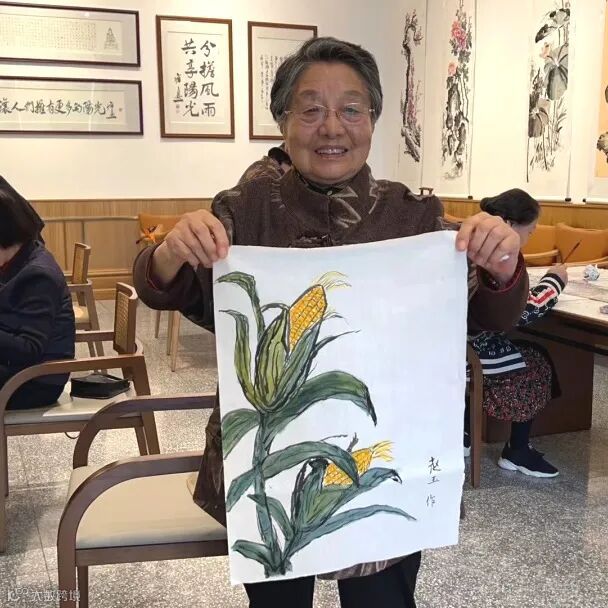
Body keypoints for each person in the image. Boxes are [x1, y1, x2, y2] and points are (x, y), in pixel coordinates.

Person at [133, 37, 528, 608]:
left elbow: (488, 316)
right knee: (277, 599)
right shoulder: (243, 210)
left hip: (383, 446)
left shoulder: (414, 217)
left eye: (351, 109)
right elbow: (161, 287)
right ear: (283, 121)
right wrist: (170, 252)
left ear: (373, 120)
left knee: (382, 600)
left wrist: (503, 267)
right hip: (268, 462)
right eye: (311, 109)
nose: (332, 128)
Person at [467, 188, 567, 478]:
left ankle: (464, 434)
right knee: (535, 362)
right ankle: (517, 450)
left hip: (452, 341)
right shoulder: (492, 254)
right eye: (531, 230)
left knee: (526, 348)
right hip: (465, 350)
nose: (530, 237)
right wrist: (554, 282)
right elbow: (519, 313)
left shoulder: (471, 239)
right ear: (509, 224)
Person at [0, 176, 75, 409]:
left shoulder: (38, 274)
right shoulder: (15, 259)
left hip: (34, 382)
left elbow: (29, 348)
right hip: (16, 370)